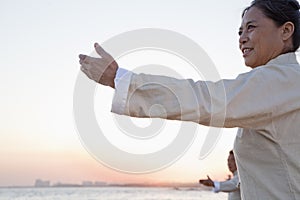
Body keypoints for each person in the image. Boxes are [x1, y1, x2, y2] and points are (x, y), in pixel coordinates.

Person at [79, 0, 300, 199]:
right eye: (239, 31)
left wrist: (120, 79)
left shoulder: (284, 80)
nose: (242, 38)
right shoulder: (279, 84)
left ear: (286, 31)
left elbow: (206, 99)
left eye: (251, 28)